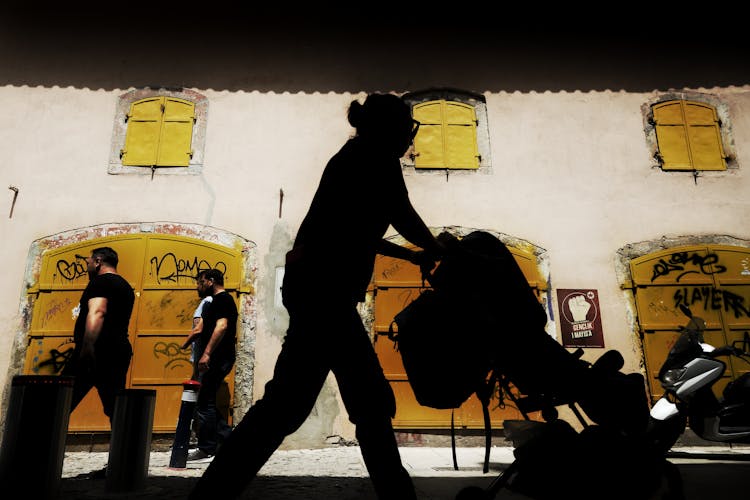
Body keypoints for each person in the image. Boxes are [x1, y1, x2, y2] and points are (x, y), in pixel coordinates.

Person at [189, 93, 446, 500]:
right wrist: (434, 249)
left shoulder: (353, 157)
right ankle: (399, 498)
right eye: (406, 129)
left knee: (301, 405)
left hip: (318, 293)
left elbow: (360, 234)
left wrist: (415, 254)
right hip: (326, 296)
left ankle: (213, 492)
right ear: (391, 128)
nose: (408, 139)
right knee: (353, 403)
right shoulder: (374, 158)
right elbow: (402, 214)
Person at [61, 246, 135, 477]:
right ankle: (122, 463)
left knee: (60, 402)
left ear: (98, 261)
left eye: (88, 261)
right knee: (115, 409)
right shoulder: (125, 287)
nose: (86, 265)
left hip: (97, 352)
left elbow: (98, 311)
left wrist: (88, 346)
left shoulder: (101, 283)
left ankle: (36, 457)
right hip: (119, 351)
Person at [186, 269, 238, 463]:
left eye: (200, 282)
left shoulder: (223, 300)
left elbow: (222, 326)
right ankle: (228, 439)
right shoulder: (216, 302)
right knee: (205, 401)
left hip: (218, 358)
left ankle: (207, 448)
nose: (198, 286)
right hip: (218, 358)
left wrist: (206, 353)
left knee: (204, 402)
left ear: (210, 281)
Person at [183, 283, 214, 382]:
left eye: (199, 283)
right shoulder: (214, 300)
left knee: (200, 386)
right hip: (205, 354)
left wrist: (184, 344)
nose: (197, 287)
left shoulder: (207, 301)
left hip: (201, 354)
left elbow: (198, 326)